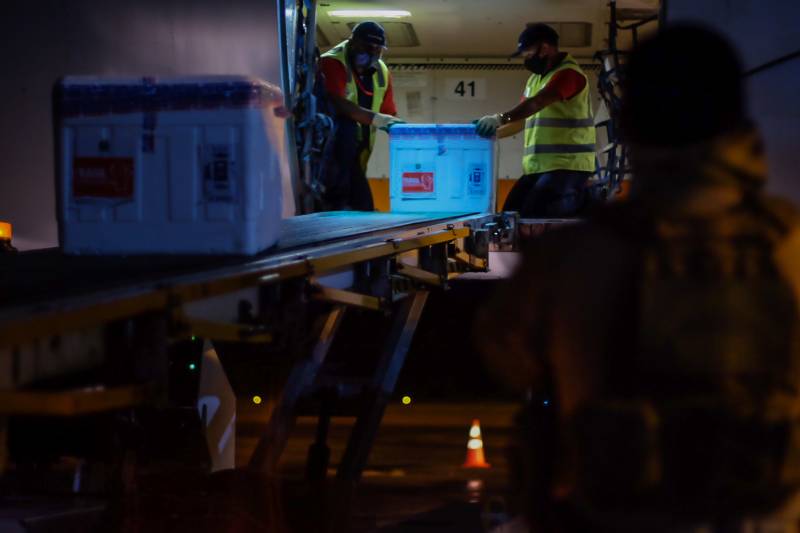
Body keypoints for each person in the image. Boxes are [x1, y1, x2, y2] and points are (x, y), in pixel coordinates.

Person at [478, 25, 800, 533]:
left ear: (631, 123)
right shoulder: (791, 244)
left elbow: (506, 355)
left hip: (612, 517)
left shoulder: (571, 256)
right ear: (740, 122)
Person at [475, 23, 596, 218]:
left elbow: (537, 102)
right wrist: (490, 133)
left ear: (545, 48)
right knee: (510, 216)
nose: (526, 58)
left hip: (567, 166)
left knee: (533, 218)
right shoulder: (534, 80)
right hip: (539, 167)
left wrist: (500, 118)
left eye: (528, 52)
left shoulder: (569, 74)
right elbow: (522, 119)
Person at [318, 21, 404, 211]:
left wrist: (403, 132)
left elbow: (389, 113)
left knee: (361, 202)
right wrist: (377, 119)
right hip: (331, 152)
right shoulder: (333, 62)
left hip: (359, 153)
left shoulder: (381, 72)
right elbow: (336, 102)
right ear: (352, 42)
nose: (371, 52)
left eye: (377, 49)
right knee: (345, 128)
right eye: (366, 46)